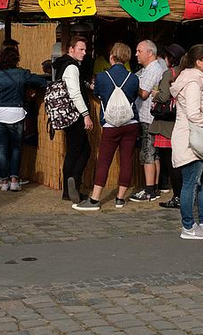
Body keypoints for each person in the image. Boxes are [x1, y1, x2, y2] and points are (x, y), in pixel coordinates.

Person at [73, 43, 139, 211]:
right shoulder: (133, 77)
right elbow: (133, 95)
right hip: (130, 123)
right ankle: (120, 198)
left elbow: (97, 94)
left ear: (111, 56)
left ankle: (95, 199)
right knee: (126, 160)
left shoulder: (102, 77)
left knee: (104, 161)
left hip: (111, 125)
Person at [169, 44, 203, 240]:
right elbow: (193, 113)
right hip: (190, 139)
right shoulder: (192, 83)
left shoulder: (196, 80)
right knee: (190, 182)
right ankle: (188, 226)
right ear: (198, 62)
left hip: (196, 138)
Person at [0, 47, 48, 192]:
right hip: (17, 113)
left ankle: (4, 180)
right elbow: (41, 81)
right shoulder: (22, 74)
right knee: (15, 147)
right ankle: (14, 180)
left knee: (1, 146)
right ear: (16, 60)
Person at [53, 36, 93, 203]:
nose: (84, 53)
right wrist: (86, 115)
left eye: (85, 49)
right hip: (75, 115)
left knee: (79, 150)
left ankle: (70, 187)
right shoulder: (72, 67)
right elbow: (74, 93)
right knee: (78, 151)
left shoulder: (64, 65)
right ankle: (72, 186)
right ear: (71, 49)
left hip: (69, 114)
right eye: (81, 49)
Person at [129, 40, 166, 202]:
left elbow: (143, 93)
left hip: (147, 116)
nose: (136, 54)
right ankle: (155, 187)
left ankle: (149, 190)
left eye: (139, 51)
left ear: (149, 53)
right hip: (149, 116)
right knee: (154, 154)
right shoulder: (149, 69)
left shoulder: (152, 70)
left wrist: (129, 84)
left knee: (147, 153)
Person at [151, 44, 186, 209]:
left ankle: (177, 196)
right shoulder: (186, 72)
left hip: (167, 124)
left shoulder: (169, 73)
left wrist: (155, 94)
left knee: (171, 162)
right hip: (182, 121)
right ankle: (184, 195)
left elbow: (164, 96)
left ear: (171, 58)